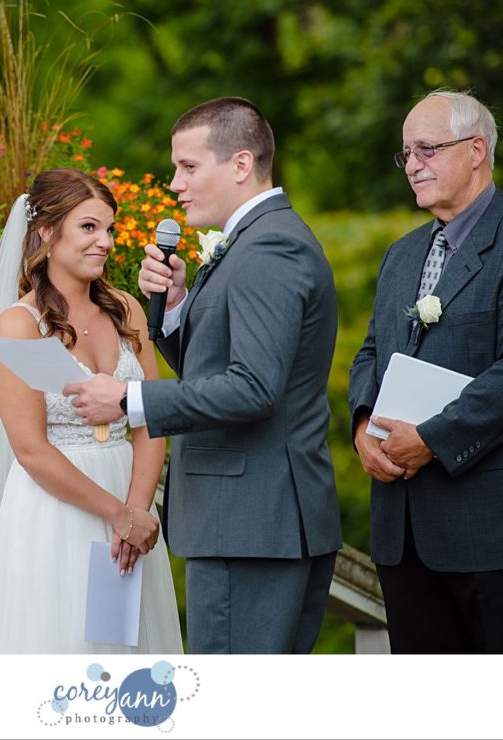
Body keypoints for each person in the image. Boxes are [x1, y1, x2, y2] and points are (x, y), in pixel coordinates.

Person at [64, 97, 342, 654]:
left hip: (254, 524)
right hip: (256, 521)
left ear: (240, 164)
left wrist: (128, 399)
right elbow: (218, 367)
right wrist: (176, 304)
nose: (175, 184)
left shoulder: (271, 248)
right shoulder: (255, 242)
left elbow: (253, 388)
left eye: (188, 167)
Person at [348, 90, 503, 653]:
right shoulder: (401, 255)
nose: (412, 165)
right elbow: (370, 352)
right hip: (405, 532)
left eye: (427, 149)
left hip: (502, 533)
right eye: (405, 154)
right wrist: (362, 427)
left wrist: (429, 439)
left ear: (476, 150)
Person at [0, 168, 182, 654]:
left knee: (125, 654)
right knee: (60, 645)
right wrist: (117, 514)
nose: (104, 241)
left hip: (131, 493)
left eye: (109, 229)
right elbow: (31, 450)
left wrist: (139, 511)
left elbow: (151, 417)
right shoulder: (21, 324)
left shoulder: (127, 309)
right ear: (46, 232)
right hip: (58, 506)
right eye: (88, 227)